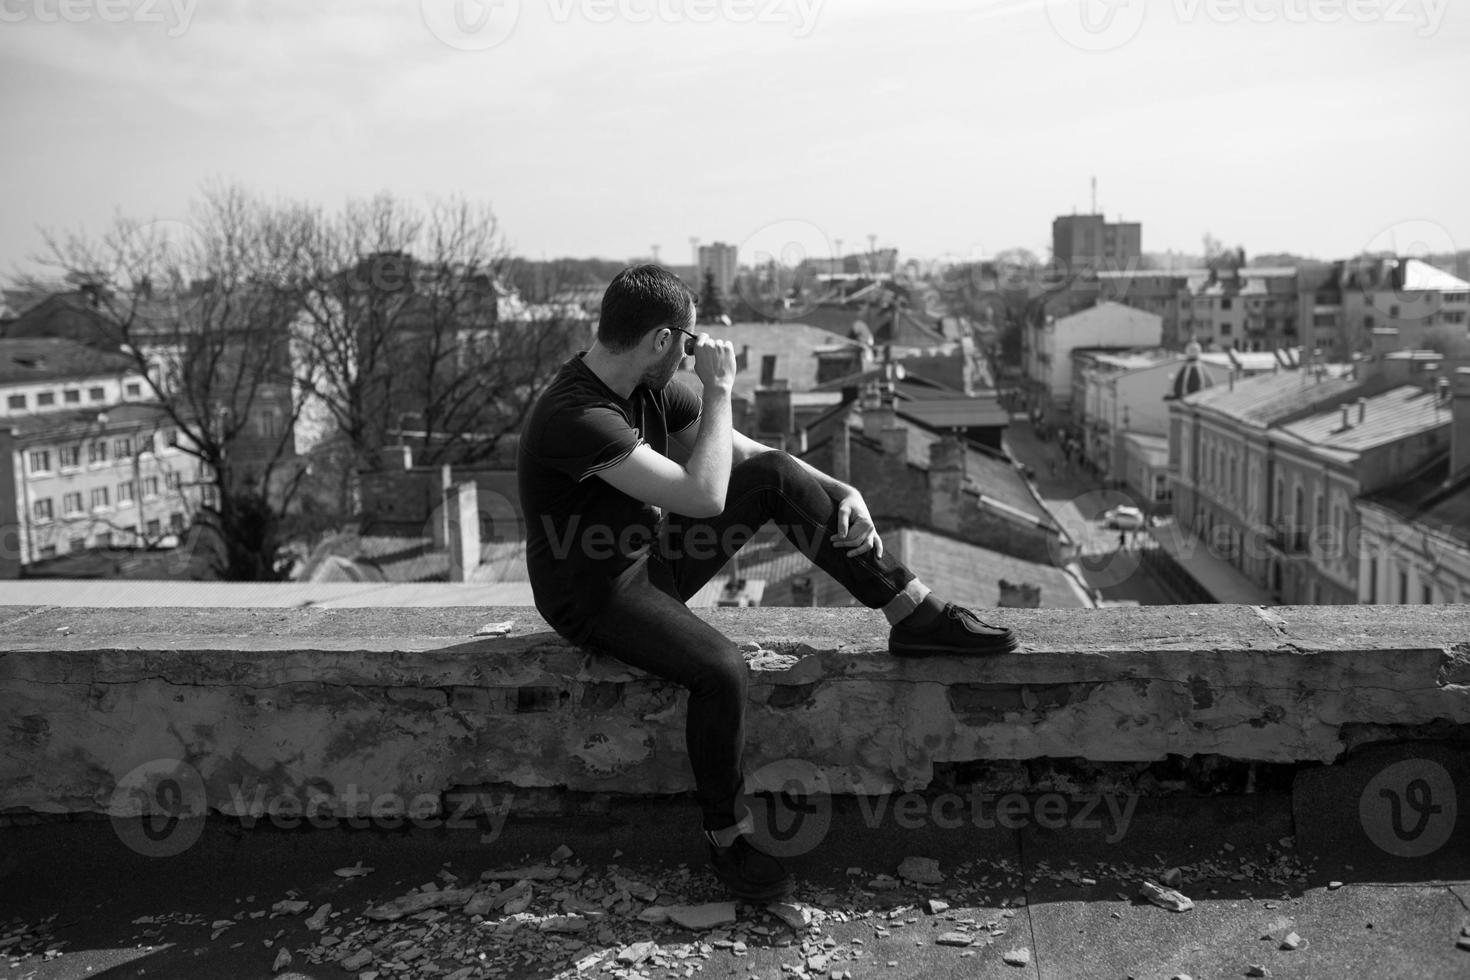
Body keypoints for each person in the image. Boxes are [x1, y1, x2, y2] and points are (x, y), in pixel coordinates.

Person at [517, 266, 1019, 904]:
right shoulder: (577, 413)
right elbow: (702, 496)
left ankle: (913, 611)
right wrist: (720, 388)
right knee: (722, 669)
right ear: (664, 341)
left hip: (651, 558)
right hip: (594, 590)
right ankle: (726, 836)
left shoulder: (645, 385)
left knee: (778, 475)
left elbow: (750, 458)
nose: (696, 354)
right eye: (689, 341)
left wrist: (841, 489)